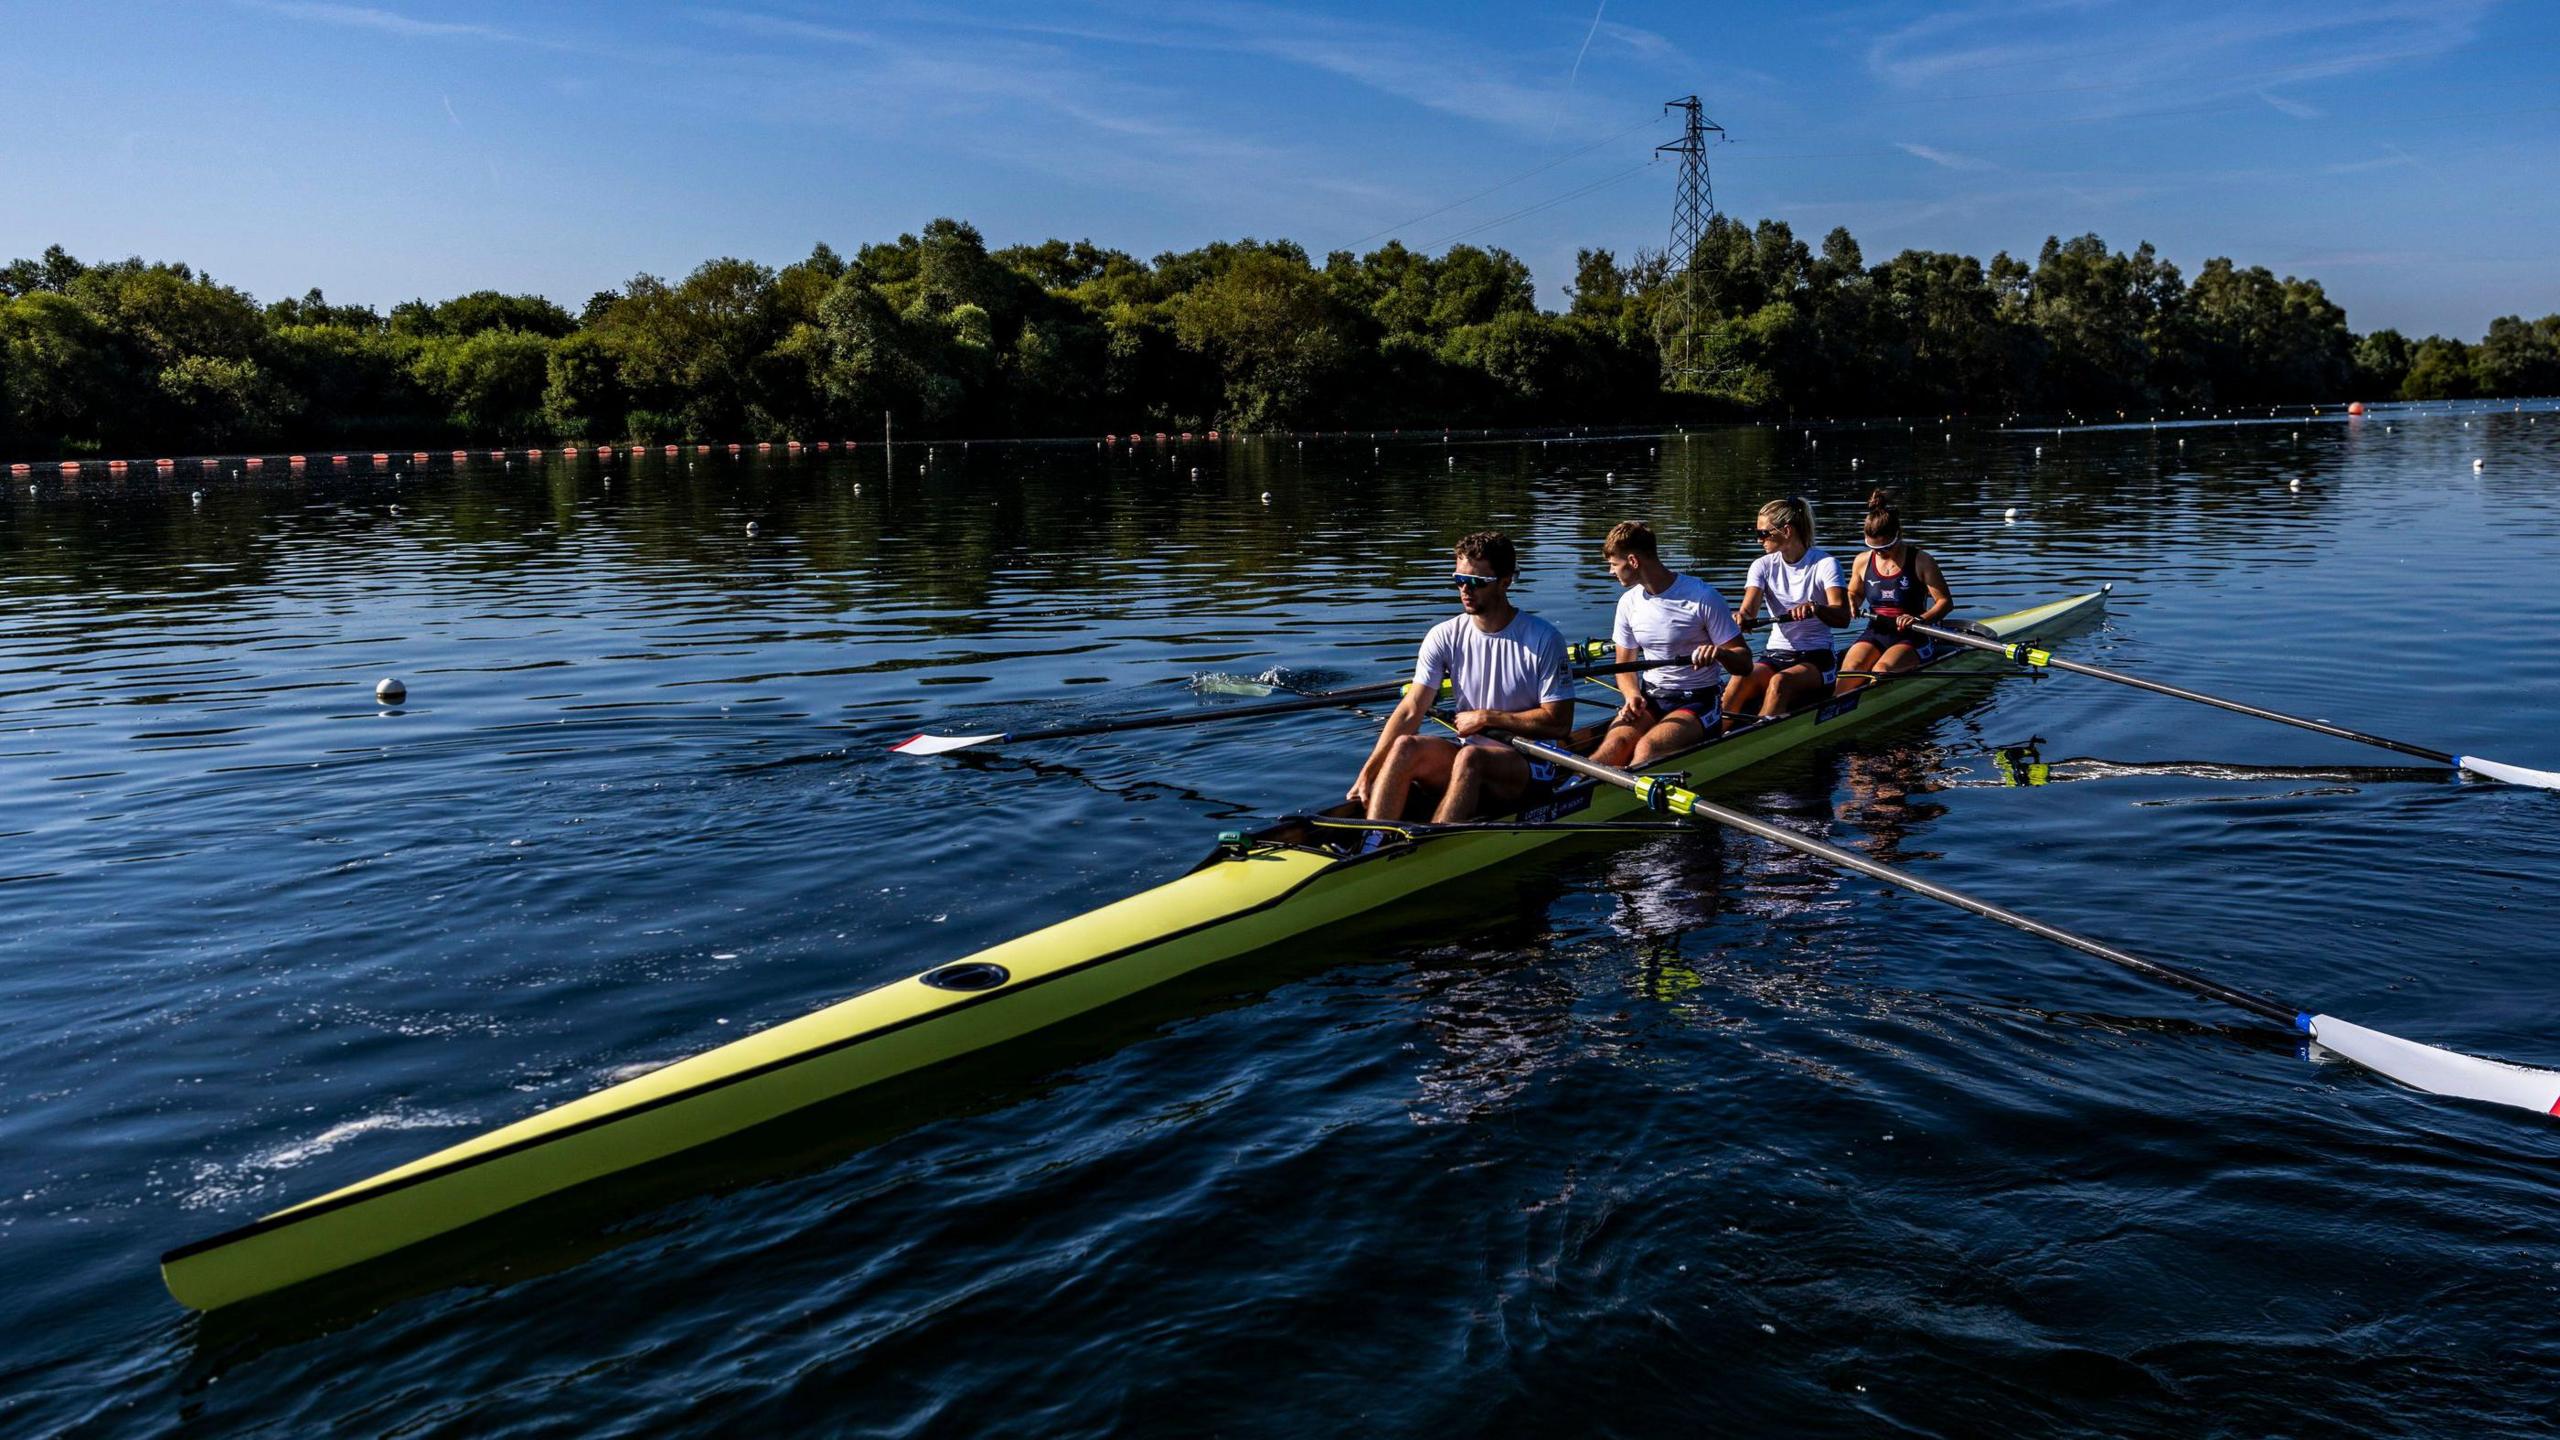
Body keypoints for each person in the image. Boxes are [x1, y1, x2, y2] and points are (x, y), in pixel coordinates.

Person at [1350, 530, 1575, 823]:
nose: (1465, 590)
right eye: (1459, 580)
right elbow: (1411, 709)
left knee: (1471, 759)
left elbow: (1559, 723)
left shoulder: (1544, 638)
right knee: (1406, 746)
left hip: (1532, 764)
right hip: (1471, 754)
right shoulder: (1444, 635)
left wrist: (1488, 718)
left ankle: (1431, 850)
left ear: (1505, 582)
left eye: (1476, 582)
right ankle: (1373, 840)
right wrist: (1369, 772)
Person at [1591, 521, 1752, 767]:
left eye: (1614, 564)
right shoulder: (1628, 603)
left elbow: (1745, 662)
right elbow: (1624, 665)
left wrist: (1719, 653)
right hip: (1651, 698)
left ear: (1633, 562)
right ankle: (1570, 794)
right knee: (1611, 748)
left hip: (1698, 702)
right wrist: (1632, 695)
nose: (1611, 572)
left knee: (1648, 748)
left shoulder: (1703, 597)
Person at [1719, 496, 1849, 721]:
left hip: (1817, 658)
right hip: (1776, 654)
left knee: (1780, 682)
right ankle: (1715, 738)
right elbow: (1748, 610)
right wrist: (1741, 617)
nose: (1759, 540)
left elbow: (1843, 616)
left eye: (1763, 533)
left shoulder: (1825, 564)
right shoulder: (1762, 566)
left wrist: (1816, 608)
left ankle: (1755, 739)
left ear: (1786, 530)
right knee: (1739, 678)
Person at [1835, 490, 1954, 694]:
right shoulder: (1862, 561)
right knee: (1850, 671)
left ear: (1898, 535)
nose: (1878, 553)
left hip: (1913, 635)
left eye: (1885, 547)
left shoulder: (1921, 560)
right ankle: (1836, 710)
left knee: (1881, 671)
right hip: (1876, 632)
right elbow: (1854, 594)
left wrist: (1919, 619)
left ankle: (1869, 703)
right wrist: (1852, 601)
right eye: (1873, 548)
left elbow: (1945, 602)